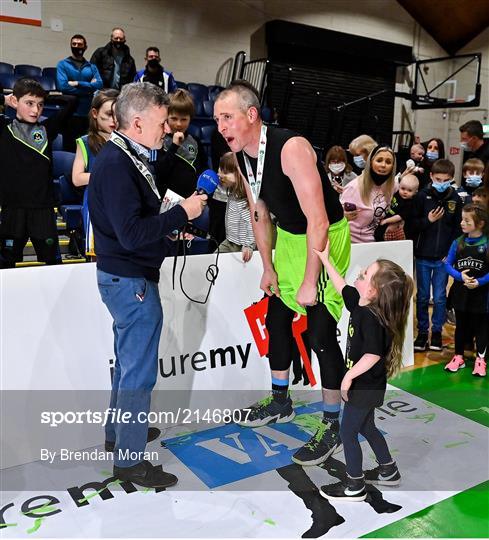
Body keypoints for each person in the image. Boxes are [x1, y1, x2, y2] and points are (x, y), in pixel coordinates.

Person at [214, 82, 351, 466]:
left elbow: (319, 220)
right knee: (276, 315)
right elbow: (258, 210)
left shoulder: (291, 148)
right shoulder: (241, 155)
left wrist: (310, 279)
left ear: (251, 115)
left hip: (323, 238)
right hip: (290, 237)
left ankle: (332, 423)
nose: (222, 126)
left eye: (228, 117)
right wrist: (268, 266)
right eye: (217, 120)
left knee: (321, 330)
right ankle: (280, 401)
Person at [88, 82, 207, 488]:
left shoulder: (122, 156)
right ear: (136, 122)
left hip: (125, 276)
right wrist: (182, 214)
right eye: (160, 122)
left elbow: (135, 225)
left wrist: (167, 233)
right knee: (138, 373)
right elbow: (132, 233)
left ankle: (118, 436)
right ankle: (129, 462)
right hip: (131, 280)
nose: (166, 130)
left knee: (126, 365)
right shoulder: (118, 164)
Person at [315, 245, 413, 501]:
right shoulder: (360, 304)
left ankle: (355, 485)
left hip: (364, 386)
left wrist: (347, 377)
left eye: (365, 273)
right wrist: (325, 260)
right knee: (367, 428)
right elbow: (342, 288)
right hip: (368, 385)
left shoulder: (372, 318)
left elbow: (373, 355)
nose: (359, 273)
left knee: (347, 433)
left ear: (373, 291)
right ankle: (389, 471)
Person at [0, 78, 75, 268]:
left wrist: (48, 96)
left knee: (51, 263)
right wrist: (5, 99)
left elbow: (72, 102)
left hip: (43, 209)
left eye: (40, 105)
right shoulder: (4, 130)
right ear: (15, 102)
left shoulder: (46, 130)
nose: (35, 111)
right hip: (12, 209)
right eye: (29, 103)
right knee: (6, 264)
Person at [412, 159, 463, 352]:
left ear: (452, 180)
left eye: (446, 180)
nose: (442, 183)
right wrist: (429, 220)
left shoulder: (455, 200)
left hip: (443, 259)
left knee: (440, 297)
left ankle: (437, 332)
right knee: (423, 296)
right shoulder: (421, 197)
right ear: (431, 177)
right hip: (423, 256)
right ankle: (422, 332)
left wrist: (449, 254)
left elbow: (458, 230)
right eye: (438, 179)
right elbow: (414, 225)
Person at [72, 89, 119, 258]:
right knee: (97, 255)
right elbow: (77, 178)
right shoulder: (85, 142)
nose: (114, 119)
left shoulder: (125, 143)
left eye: (117, 114)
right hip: (97, 203)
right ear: (95, 113)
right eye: (108, 114)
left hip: (121, 202)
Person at [444, 204, 488, 377]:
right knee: (460, 325)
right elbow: (447, 264)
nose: (462, 223)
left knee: (481, 327)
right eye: (462, 219)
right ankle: (458, 356)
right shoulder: (458, 242)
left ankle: (480, 359)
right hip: (461, 293)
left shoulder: (486, 243)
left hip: (482, 295)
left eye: (466, 220)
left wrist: (479, 282)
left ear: (480, 223)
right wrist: (460, 276)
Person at [152, 89, 207, 198]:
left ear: (190, 119)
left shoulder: (195, 141)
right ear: (166, 117)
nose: (178, 124)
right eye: (174, 118)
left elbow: (203, 169)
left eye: (184, 119)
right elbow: (159, 173)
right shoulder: (158, 139)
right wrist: (174, 146)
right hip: (167, 201)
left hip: (192, 199)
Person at [340, 145, 398, 243]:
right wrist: (343, 216)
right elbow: (335, 218)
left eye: (388, 162)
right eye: (379, 160)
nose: (383, 165)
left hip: (375, 244)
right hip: (351, 245)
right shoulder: (354, 187)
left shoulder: (393, 186)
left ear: (393, 166)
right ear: (371, 162)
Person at [56, 34, 103, 151]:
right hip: (70, 113)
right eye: (74, 44)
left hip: (86, 114)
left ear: (85, 46)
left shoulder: (92, 67)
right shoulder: (63, 64)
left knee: (85, 149)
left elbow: (99, 84)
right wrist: (89, 89)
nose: (77, 47)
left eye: (80, 44)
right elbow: (63, 87)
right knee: (69, 148)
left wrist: (77, 83)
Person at [217, 152, 255, 261]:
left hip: (240, 245)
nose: (220, 174)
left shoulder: (243, 199)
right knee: (214, 260)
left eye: (226, 172)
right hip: (230, 241)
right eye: (220, 168)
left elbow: (252, 223)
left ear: (239, 174)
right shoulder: (231, 190)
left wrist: (249, 245)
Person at [376, 174, 419, 241]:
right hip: (386, 217)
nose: (405, 192)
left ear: (415, 192)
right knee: (377, 234)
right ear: (399, 186)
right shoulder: (397, 194)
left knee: (385, 238)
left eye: (409, 190)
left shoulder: (409, 204)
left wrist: (386, 221)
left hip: (394, 223)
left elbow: (399, 217)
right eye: (403, 188)